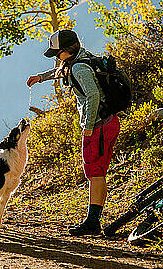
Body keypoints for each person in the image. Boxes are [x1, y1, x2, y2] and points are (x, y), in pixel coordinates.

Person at [26, 29, 120, 236]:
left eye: (57, 53)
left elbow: (93, 95)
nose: (56, 57)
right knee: (98, 173)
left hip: (98, 126)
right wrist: (41, 77)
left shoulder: (79, 68)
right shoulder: (82, 58)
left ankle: (92, 223)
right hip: (109, 121)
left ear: (67, 51)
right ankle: (94, 220)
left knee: (95, 174)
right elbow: (63, 71)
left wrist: (87, 126)